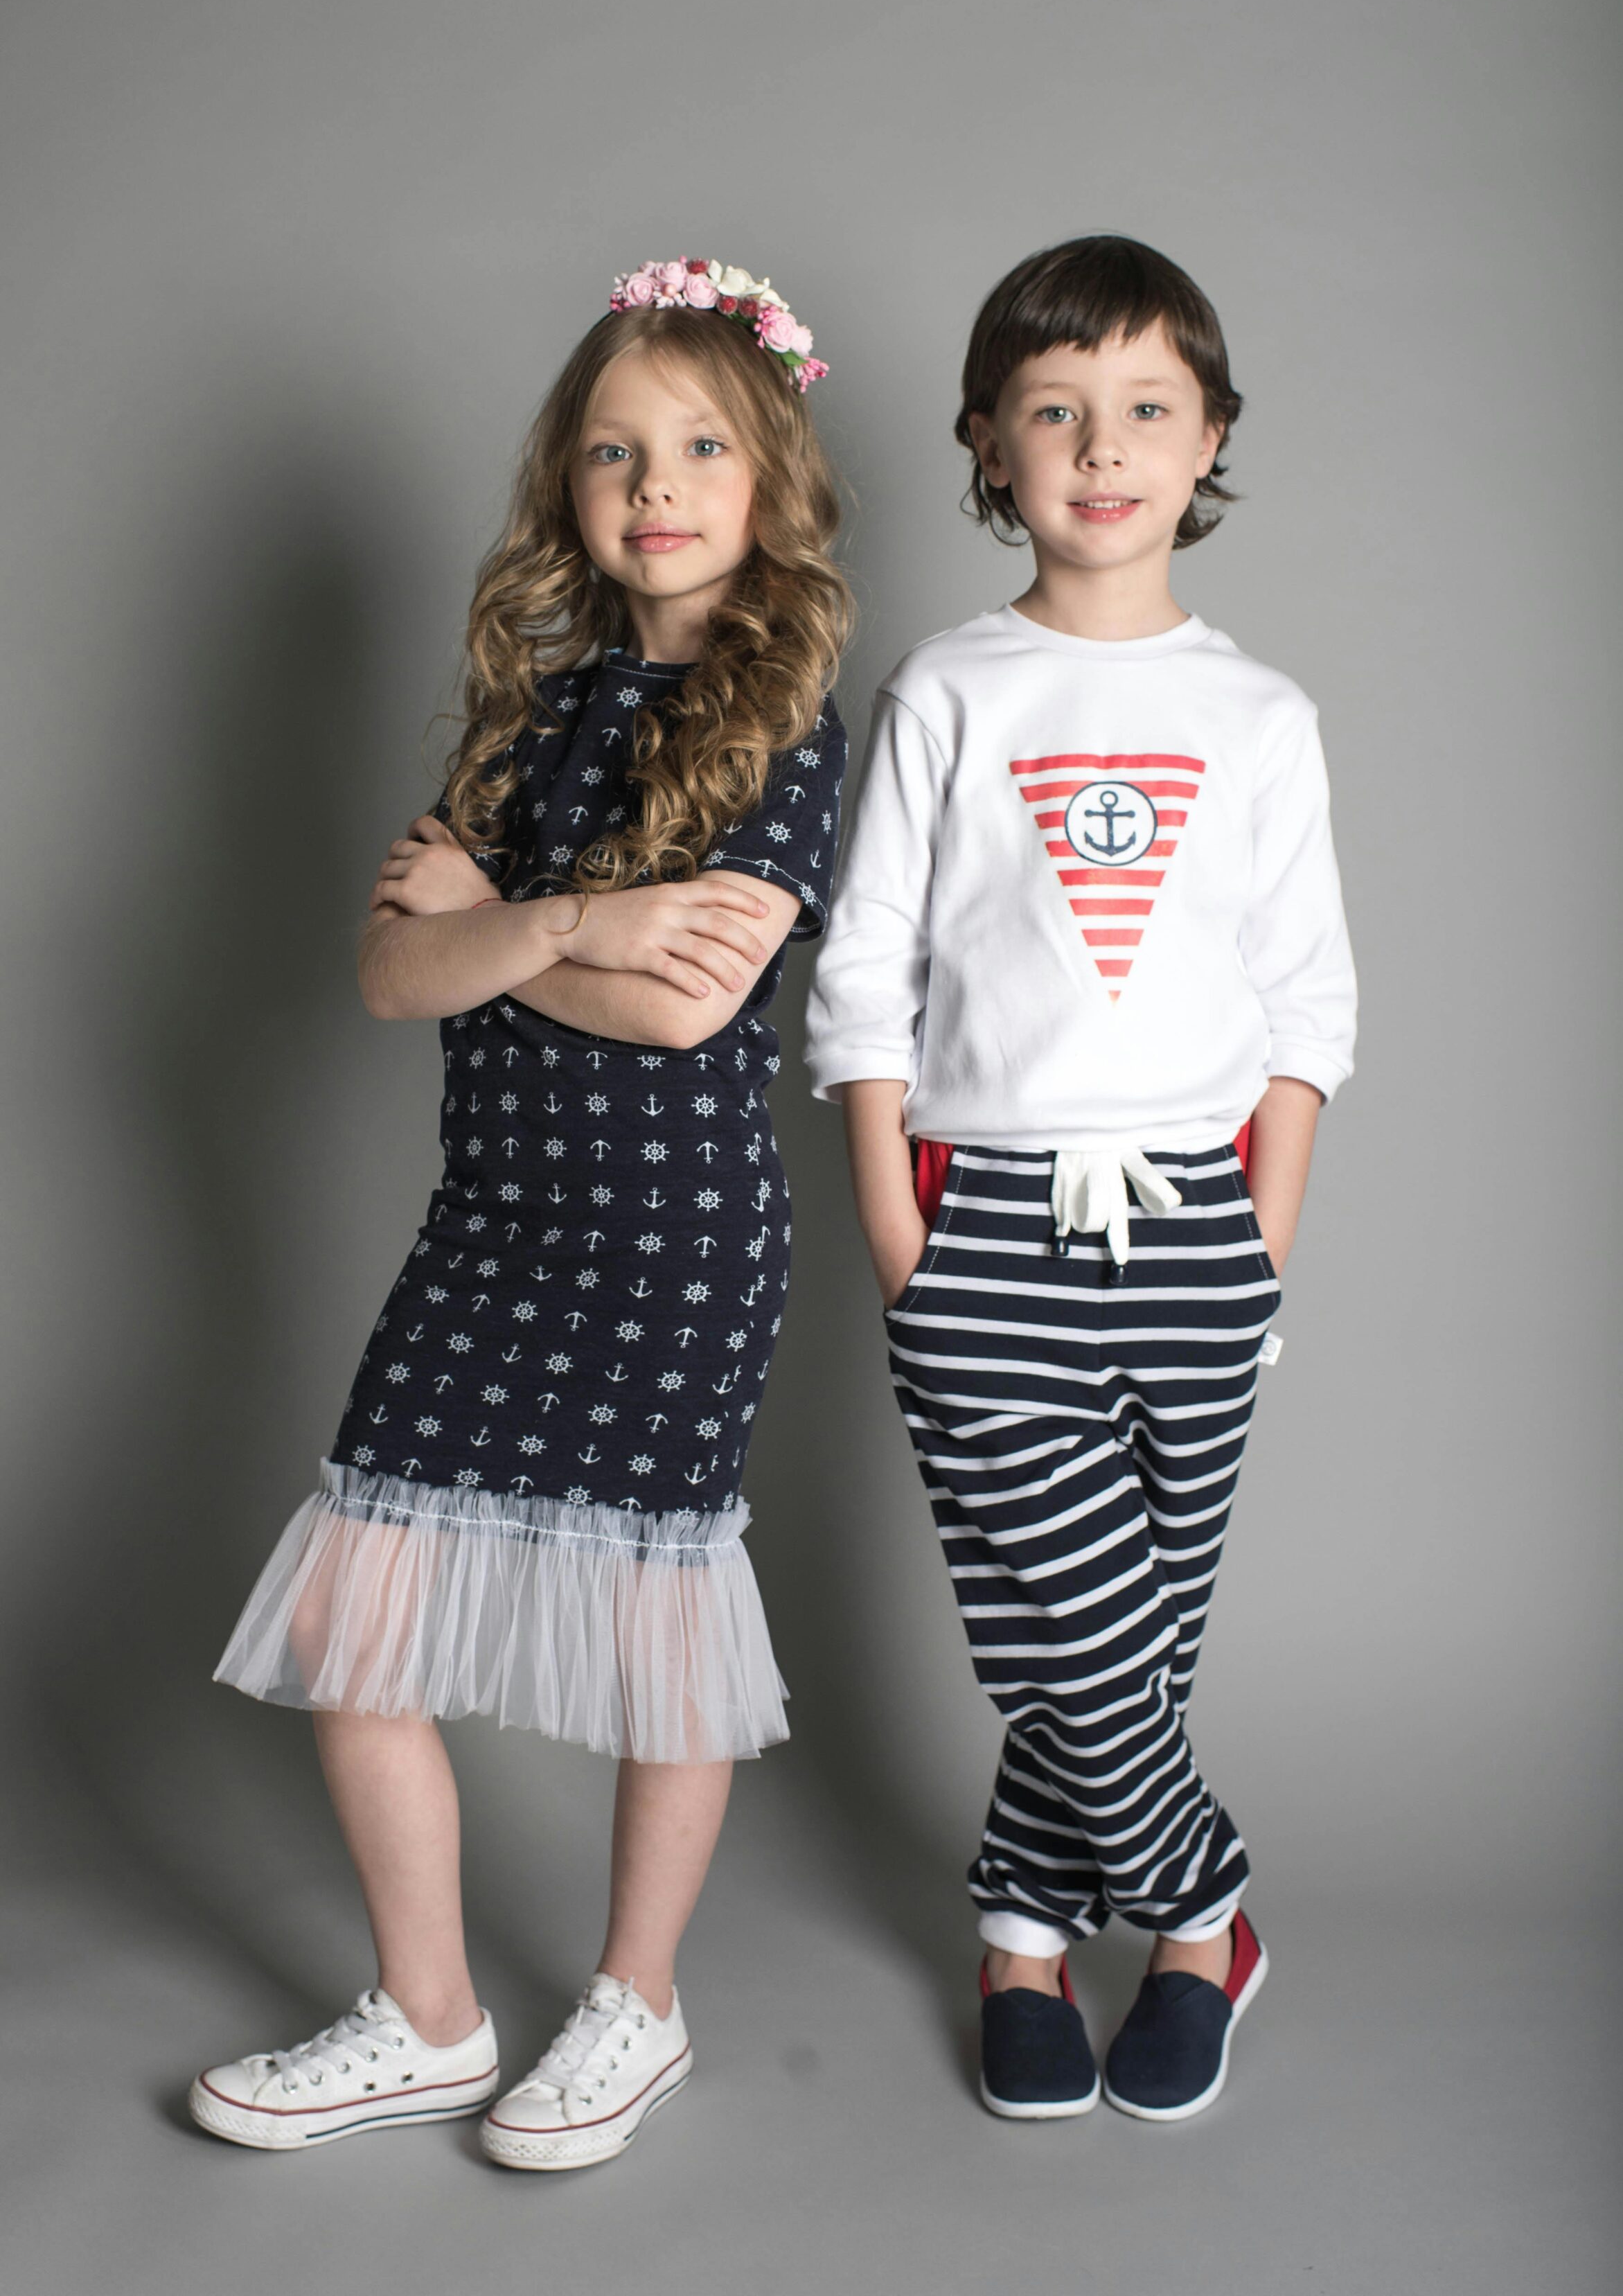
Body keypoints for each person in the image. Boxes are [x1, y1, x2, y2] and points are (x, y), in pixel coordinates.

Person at [191, 256, 850, 2169]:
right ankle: (429, 2014)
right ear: (566, 486)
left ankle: (634, 2006)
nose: (658, 483)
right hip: (489, 1234)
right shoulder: (521, 716)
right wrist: (567, 919)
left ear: (766, 470)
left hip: (673, 1248)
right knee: (362, 1629)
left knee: (662, 1635)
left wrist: (494, 933)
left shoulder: (791, 717)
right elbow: (393, 978)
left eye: (701, 444)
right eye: (613, 451)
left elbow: (692, 1001)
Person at [805, 235, 1355, 2123]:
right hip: (983, 1223)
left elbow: (1308, 1010)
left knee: (1136, 1626)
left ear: (1210, 440)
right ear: (987, 440)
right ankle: (1205, 1915)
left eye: (1144, 408)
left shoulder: (1262, 719)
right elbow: (862, 976)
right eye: (1054, 410)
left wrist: (1259, 1245)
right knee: (1065, 1610)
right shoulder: (951, 692)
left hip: (1197, 1228)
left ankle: (1025, 1936)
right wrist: (901, 1228)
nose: (1100, 447)